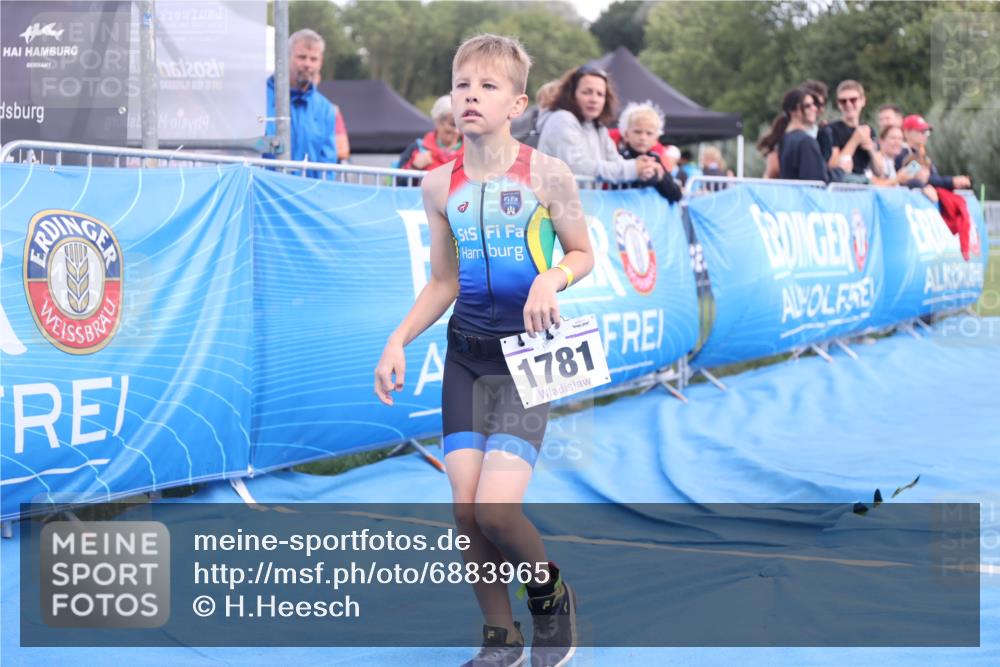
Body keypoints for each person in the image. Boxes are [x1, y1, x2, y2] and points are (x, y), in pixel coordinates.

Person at [374, 33, 594, 667]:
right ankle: (501, 638)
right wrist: (398, 339)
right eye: (462, 84)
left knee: (498, 512)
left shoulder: (549, 174)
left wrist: (552, 278)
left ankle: (551, 596)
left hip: (529, 361)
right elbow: (443, 280)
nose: (471, 95)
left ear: (517, 103)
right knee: (466, 513)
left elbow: (585, 254)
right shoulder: (437, 185)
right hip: (466, 359)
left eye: (487, 86)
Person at [537, 64, 661, 182]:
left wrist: (644, 167)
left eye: (600, 94)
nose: (594, 99)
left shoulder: (598, 128)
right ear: (571, 94)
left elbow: (615, 162)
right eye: (587, 92)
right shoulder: (562, 119)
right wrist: (633, 168)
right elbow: (577, 168)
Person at [264, 29, 345, 177]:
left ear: (321, 63)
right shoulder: (259, 97)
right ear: (286, 57)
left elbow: (328, 163)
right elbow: (248, 148)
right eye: (301, 57)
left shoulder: (325, 109)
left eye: (313, 59)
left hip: (303, 196)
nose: (307, 64)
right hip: (264, 193)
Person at [758, 88, 829, 182]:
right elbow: (817, 182)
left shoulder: (783, 140)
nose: (814, 109)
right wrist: (840, 171)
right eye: (808, 106)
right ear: (793, 110)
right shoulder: (806, 142)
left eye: (814, 105)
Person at [895, 114, 971, 202]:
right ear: (907, 132)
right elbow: (919, 178)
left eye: (927, 132)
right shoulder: (903, 154)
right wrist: (951, 181)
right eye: (921, 131)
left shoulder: (920, 154)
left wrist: (951, 182)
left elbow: (932, 177)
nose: (925, 135)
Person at [617, 102, 682, 202]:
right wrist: (636, 171)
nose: (643, 137)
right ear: (626, 135)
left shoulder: (655, 159)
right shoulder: (619, 158)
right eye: (637, 132)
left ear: (655, 139)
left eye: (649, 133)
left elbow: (677, 195)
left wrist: (660, 178)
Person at [823, 80, 884, 181]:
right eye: (843, 101)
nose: (848, 104)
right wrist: (855, 140)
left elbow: (880, 171)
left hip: (863, 183)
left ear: (863, 101)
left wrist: (871, 150)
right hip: (841, 185)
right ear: (838, 104)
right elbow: (833, 166)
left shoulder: (868, 130)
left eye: (853, 100)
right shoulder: (830, 129)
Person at [396, 95, 463, 171]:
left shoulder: (473, 151)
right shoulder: (417, 148)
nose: (457, 131)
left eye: (461, 124)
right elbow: (396, 180)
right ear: (438, 122)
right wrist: (414, 166)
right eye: (453, 124)